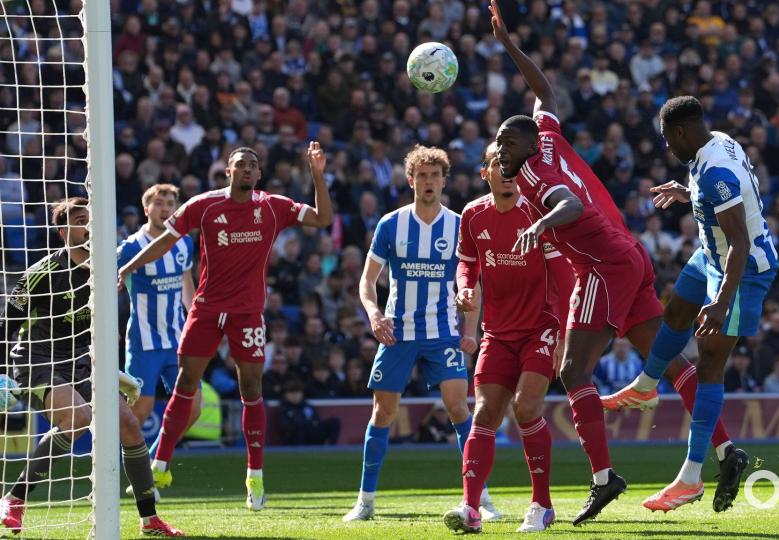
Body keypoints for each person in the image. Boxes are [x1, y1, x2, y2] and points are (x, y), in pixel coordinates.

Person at [489, 3, 743, 522]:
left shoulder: (535, 176)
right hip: (627, 257)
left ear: (528, 144)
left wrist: (539, 224)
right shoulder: (550, 138)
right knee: (672, 363)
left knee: (573, 369)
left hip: (603, 266)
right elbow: (546, 93)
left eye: (506, 143)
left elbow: (571, 204)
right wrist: (511, 47)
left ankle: (604, 479)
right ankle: (725, 451)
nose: (499, 151)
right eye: (497, 144)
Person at [117, 143, 333, 511]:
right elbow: (164, 242)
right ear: (228, 172)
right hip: (205, 311)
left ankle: (255, 475)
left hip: (247, 313)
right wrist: (127, 268)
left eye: (253, 164)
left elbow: (321, 218)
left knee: (251, 387)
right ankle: (160, 465)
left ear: (259, 174)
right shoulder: (203, 206)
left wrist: (316, 175)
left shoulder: (272, 206)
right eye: (240, 164)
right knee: (186, 385)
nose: (247, 169)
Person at [601, 96, 778, 512]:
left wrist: (721, 303)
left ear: (680, 132)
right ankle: (646, 387)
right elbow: (723, 200)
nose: (667, 147)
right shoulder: (715, 143)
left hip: (741, 269)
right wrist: (688, 193)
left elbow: (740, 241)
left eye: (667, 140)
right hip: (710, 256)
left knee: (709, 363)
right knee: (676, 311)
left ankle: (691, 477)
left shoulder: (716, 171)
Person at [0, 198, 183, 536]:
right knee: (79, 417)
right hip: (36, 359)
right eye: (81, 219)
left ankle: (149, 519)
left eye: (92, 218)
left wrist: (114, 372)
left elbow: (104, 331)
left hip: (81, 361)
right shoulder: (40, 275)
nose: (89, 225)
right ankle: (14, 499)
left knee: (128, 425)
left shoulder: (104, 273)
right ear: (63, 231)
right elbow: (6, 323)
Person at [343, 145, 498, 523]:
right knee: (383, 412)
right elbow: (366, 282)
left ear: (445, 181)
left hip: (443, 332)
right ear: (411, 180)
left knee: (460, 409)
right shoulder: (390, 224)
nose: (429, 183)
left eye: (435, 176)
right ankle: (365, 501)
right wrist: (375, 315)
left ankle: (481, 500)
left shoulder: (461, 225)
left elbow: (472, 285)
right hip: (398, 331)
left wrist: (469, 331)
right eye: (422, 176)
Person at [442, 143, 574, 533]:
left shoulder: (537, 215)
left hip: (541, 327)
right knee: (483, 414)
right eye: (498, 163)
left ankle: (541, 505)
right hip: (497, 334)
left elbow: (564, 276)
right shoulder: (472, 214)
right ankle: (470, 508)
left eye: (511, 162)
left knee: (526, 407)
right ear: (485, 172)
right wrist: (463, 289)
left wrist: (565, 333)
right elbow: (466, 265)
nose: (506, 169)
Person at [117, 184, 202, 457]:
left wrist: (196, 320)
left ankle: (154, 461)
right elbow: (112, 288)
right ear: (146, 209)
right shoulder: (130, 248)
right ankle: (114, 464)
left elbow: (186, 282)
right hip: (143, 342)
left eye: (170, 203)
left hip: (178, 340)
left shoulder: (185, 243)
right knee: (139, 412)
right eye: (158, 203)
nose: (165, 208)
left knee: (193, 409)